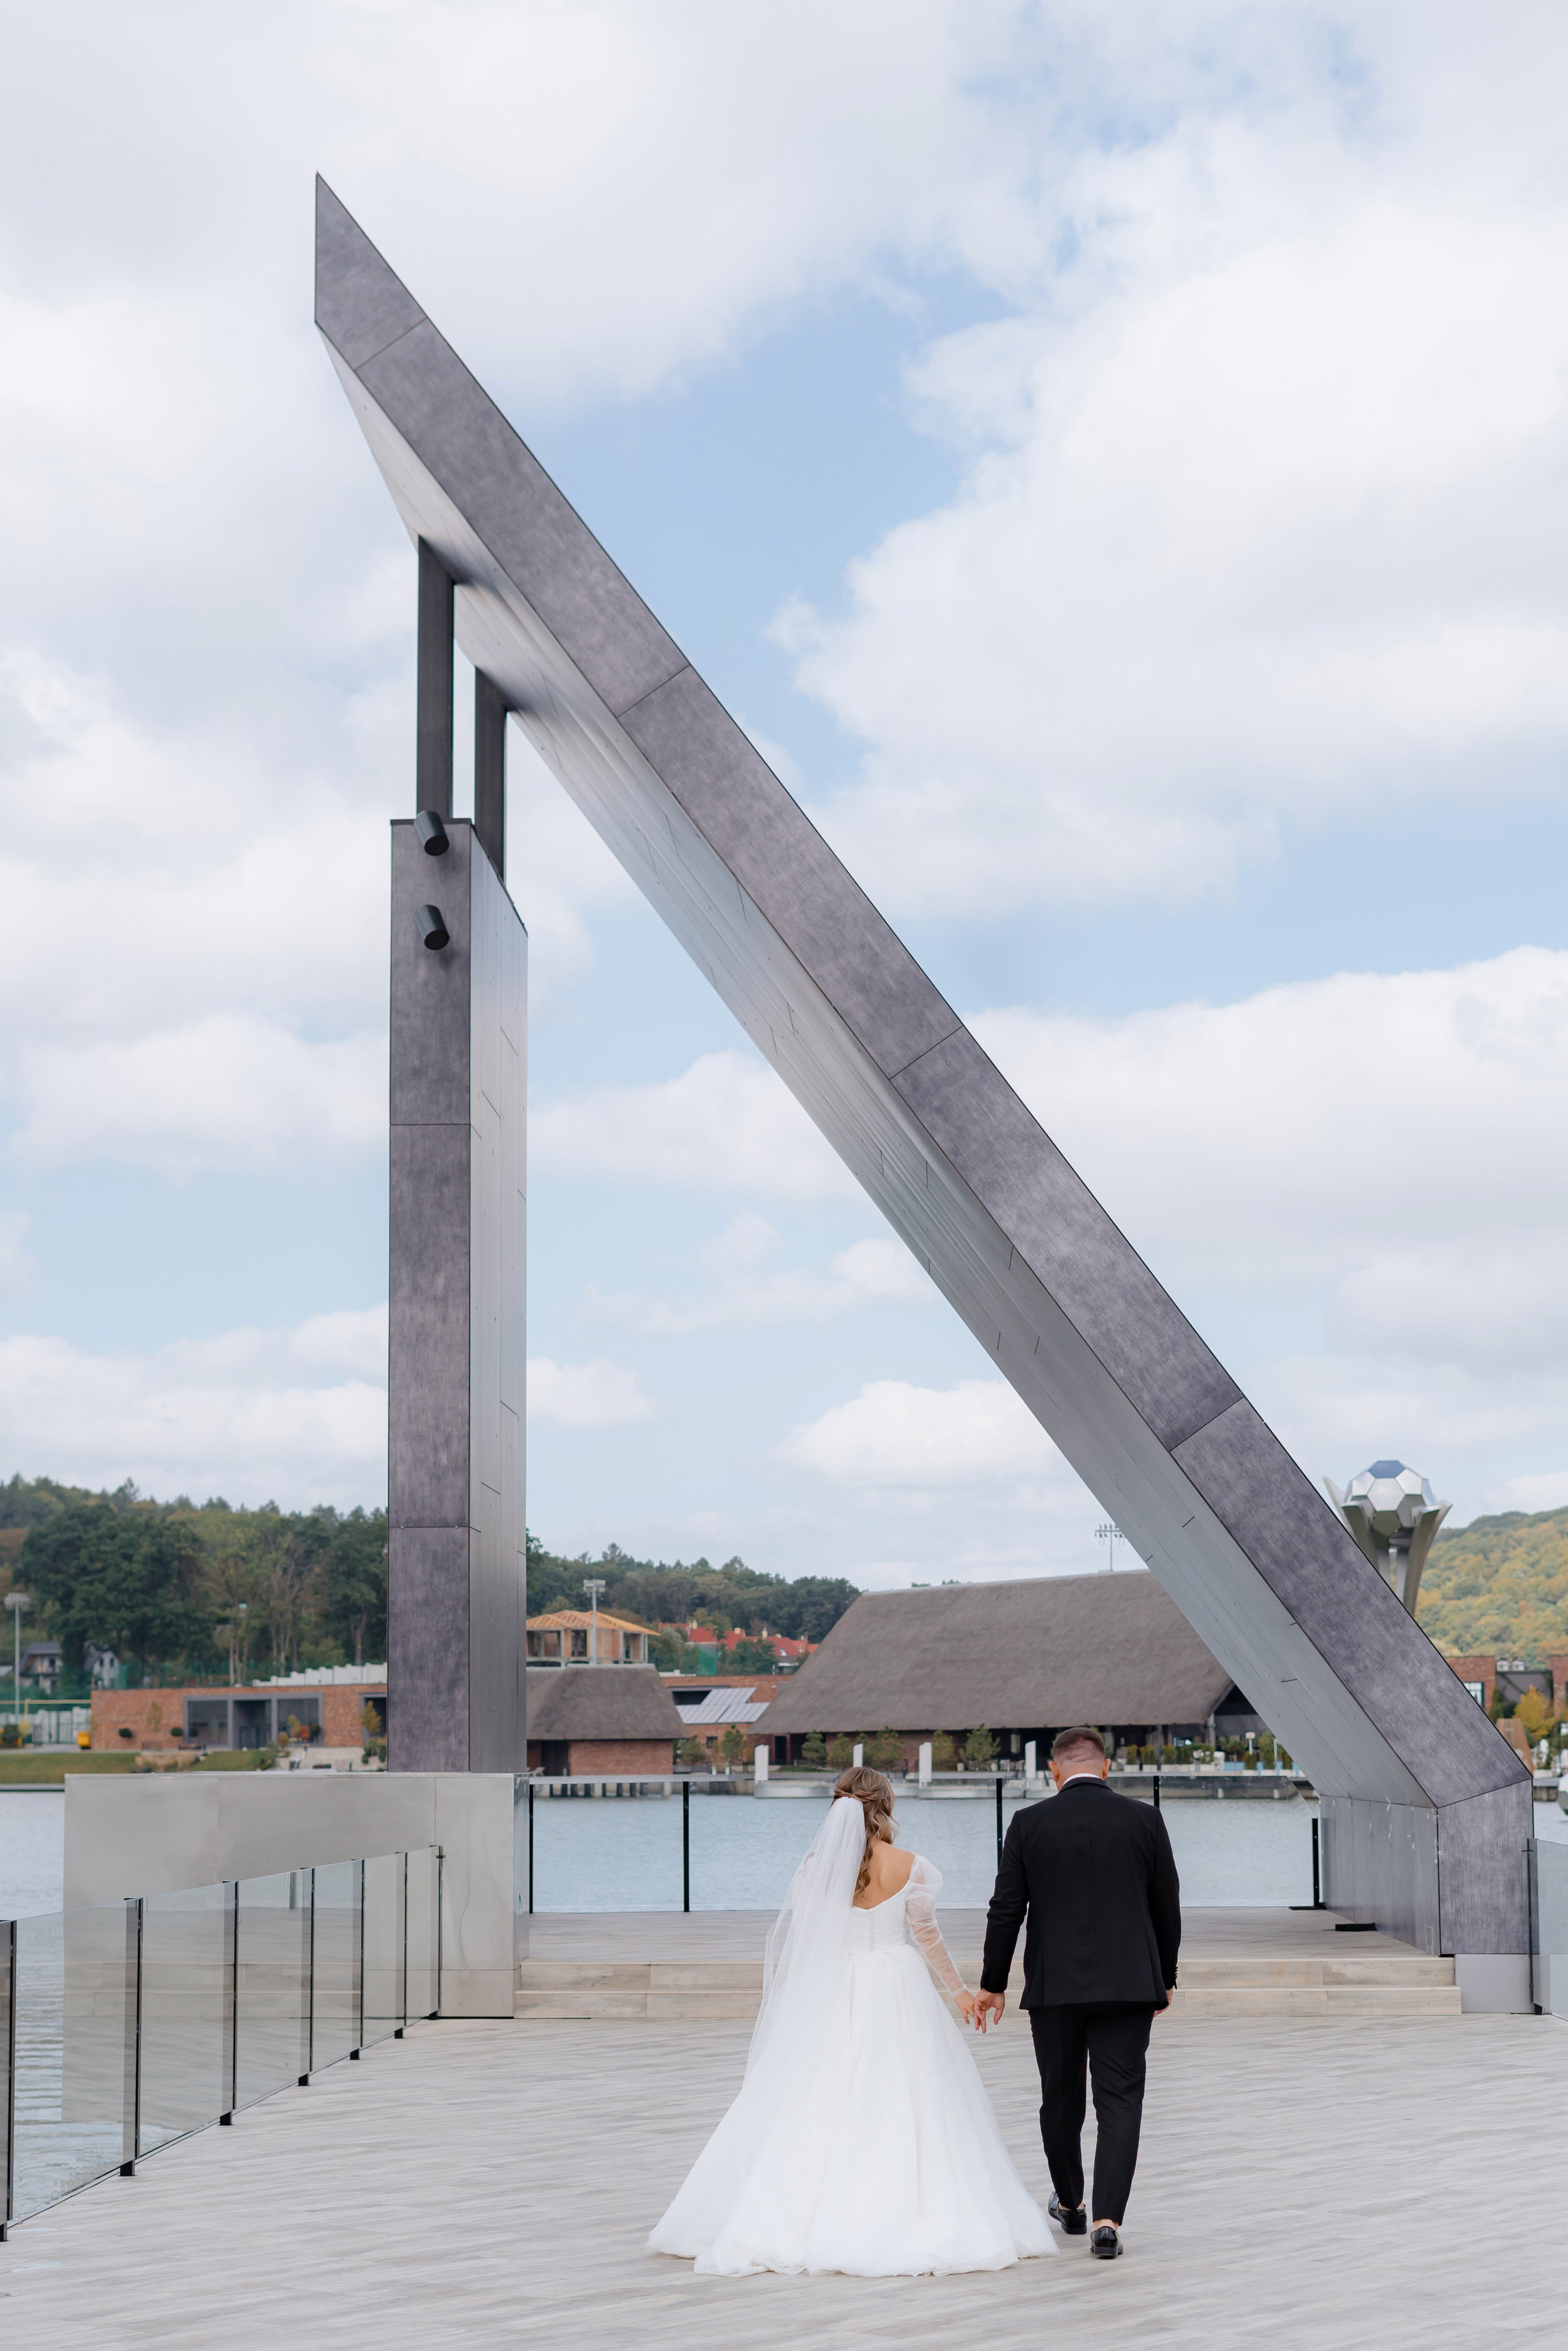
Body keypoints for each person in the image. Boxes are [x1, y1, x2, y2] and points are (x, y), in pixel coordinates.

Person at [648, 1766, 1057, 2277]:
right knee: (910, 2095)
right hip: (896, 1983)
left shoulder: (812, 1869)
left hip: (834, 1988)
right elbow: (926, 1937)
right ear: (885, 1805)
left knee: (817, 2093)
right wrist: (960, 1993)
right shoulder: (911, 1866)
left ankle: (798, 2213)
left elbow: (811, 1938)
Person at [976, 1724, 1180, 2262]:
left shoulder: (1027, 1823)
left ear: (1055, 1771)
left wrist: (992, 1983)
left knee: (1061, 2101)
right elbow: (1167, 1908)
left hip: (1056, 1986)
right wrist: (1166, 1976)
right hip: (1131, 1982)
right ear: (1107, 1767)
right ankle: (1108, 2220)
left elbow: (1006, 1910)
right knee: (1120, 2100)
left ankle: (1070, 2203)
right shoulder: (1146, 1820)